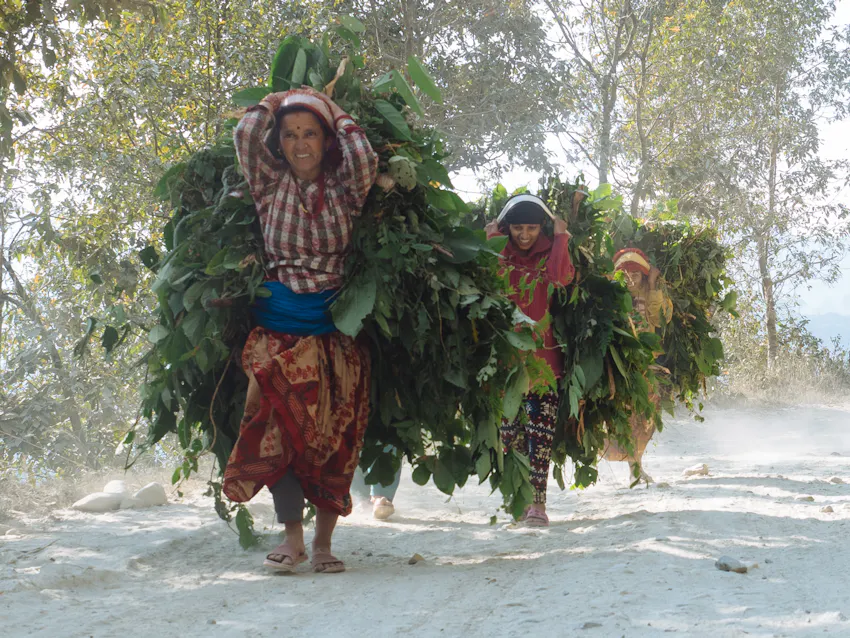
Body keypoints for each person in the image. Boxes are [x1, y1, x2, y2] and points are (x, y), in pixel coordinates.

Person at [222, 86, 378, 573]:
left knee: (335, 438)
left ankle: (324, 543)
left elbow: (364, 155)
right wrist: (279, 100)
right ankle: (292, 539)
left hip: (332, 332)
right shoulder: (268, 185)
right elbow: (245, 134)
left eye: (310, 133)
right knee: (276, 432)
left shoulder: (346, 190)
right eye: (289, 135)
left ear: (326, 140)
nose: (299, 143)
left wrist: (333, 110)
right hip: (278, 333)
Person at [485, 194, 575, 527]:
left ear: (542, 227)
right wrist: (492, 241)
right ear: (507, 227)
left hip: (543, 363)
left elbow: (559, 279)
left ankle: (538, 503)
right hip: (506, 363)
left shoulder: (550, 251)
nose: (524, 235)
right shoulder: (498, 252)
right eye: (518, 228)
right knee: (511, 436)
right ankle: (521, 499)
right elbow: (489, 280)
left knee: (540, 435)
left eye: (532, 228)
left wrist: (561, 237)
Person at [601, 247, 673, 484]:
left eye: (637, 275)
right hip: (618, 364)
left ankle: (636, 465)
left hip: (645, 364)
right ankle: (623, 464)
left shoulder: (650, 293)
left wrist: (652, 285)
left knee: (643, 418)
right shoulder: (613, 294)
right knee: (621, 415)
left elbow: (658, 319)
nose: (631, 280)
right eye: (626, 275)